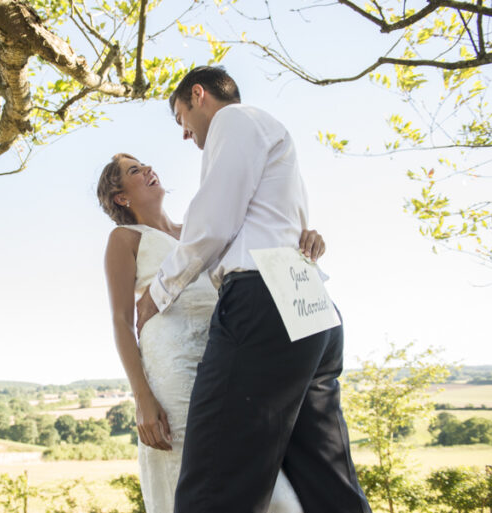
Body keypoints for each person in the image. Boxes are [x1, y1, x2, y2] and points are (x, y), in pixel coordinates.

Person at [135, 66, 371, 513]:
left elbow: (214, 220)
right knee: (325, 476)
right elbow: (283, 224)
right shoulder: (274, 135)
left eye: (180, 117)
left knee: (214, 481)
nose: (186, 134)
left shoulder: (234, 121)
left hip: (265, 305)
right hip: (311, 307)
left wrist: (159, 290)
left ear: (198, 96)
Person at [98, 153, 325, 512]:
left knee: (264, 478)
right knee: (189, 473)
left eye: (144, 165)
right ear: (120, 197)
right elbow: (120, 321)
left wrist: (303, 238)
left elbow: (260, 247)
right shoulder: (125, 239)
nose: (148, 169)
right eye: (134, 171)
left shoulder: (200, 228)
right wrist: (142, 397)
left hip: (226, 358)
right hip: (172, 370)